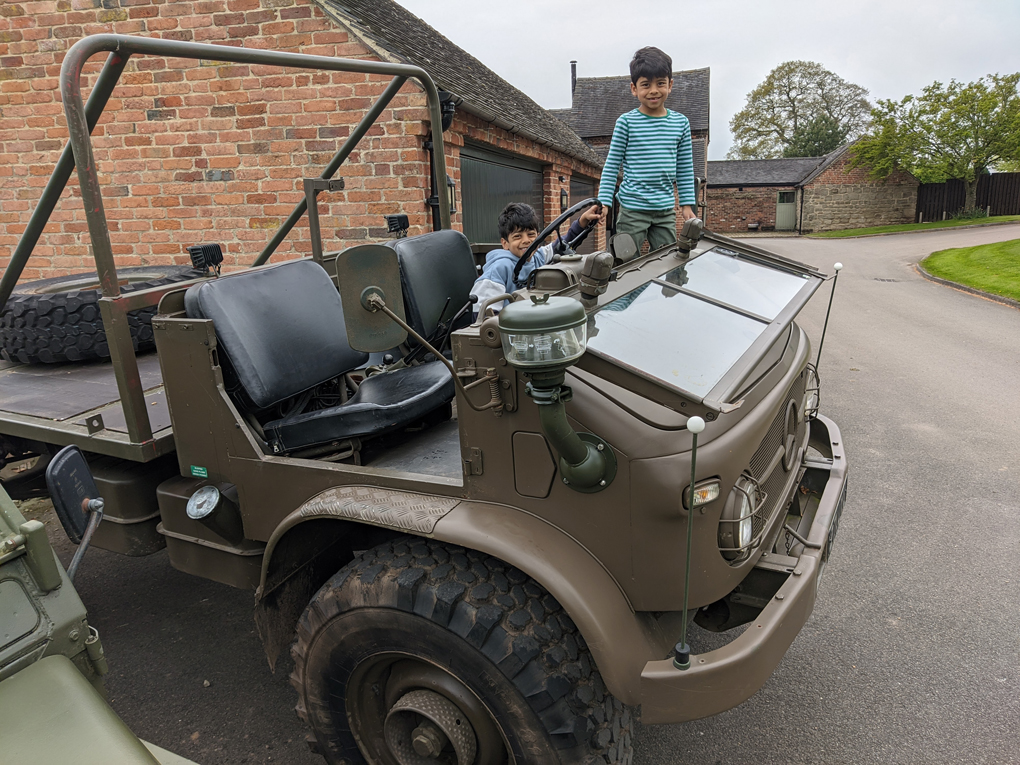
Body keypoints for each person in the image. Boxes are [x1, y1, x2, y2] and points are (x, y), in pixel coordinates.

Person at [597, 46, 697, 252]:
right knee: (624, 261)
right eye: (646, 84)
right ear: (634, 88)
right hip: (632, 209)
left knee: (668, 261)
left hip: (664, 210)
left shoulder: (681, 123)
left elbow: (685, 169)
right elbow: (612, 165)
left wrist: (687, 205)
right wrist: (604, 202)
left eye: (660, 83)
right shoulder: (626, 122)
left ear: (670, 85)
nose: (653, 90)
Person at [471, 202, 606, 313]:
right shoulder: (499, 268)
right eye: (518, 236)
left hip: (539, 316)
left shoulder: (538, 257)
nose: (526, 241)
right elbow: (483, 313)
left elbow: (563, 243)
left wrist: (582, 222)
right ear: (505, 243)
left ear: (538, 236)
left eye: (531, 235)